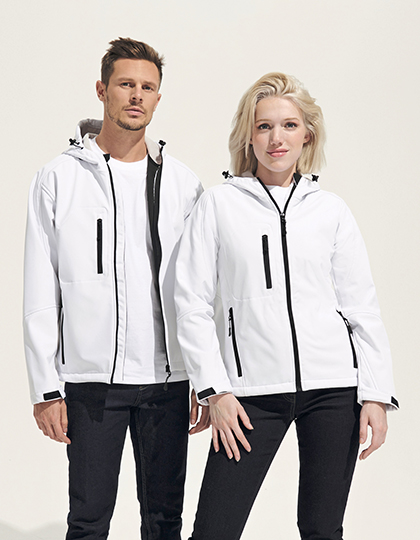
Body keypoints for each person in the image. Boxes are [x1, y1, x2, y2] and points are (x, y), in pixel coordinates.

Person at [175, 72, 398, 540]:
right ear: (248, 136)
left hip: (333, 390)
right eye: (264, 126)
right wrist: (215, 390)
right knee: (214, 530)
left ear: (307, 135)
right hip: (249, 393)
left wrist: (375, 395)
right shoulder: (219, 205)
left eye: (289, 125)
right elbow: (191, 304)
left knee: (322, 529)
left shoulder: (330, 210)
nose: (277, 138)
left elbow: (361, 307)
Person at [23, 37, 204, 540]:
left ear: (158, 98)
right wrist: (45, 388)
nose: (136, 95)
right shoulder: (58, 178)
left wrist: (203, 376)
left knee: (165, 521)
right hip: (90, 383)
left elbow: (200, 291)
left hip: (168, 382)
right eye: (125, 84)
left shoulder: (183, 183)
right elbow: (40, 289)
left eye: (147, 87)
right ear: (102, 90)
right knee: (87, 521)